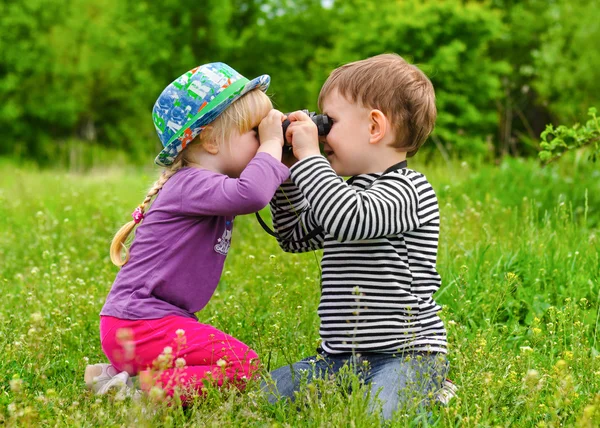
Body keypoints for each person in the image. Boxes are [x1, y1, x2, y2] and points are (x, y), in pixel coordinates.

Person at [84, 63, 290, 400]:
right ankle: (135, 390)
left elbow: (263, 182)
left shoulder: (201, 184)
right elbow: (253, 193)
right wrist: (270, 144)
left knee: (233, 362)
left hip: (138, 326)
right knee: (242, 364)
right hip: (141, 326)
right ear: (210, 140)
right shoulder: (192, 183)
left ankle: (117, 376)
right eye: (254, 131)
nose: (262, 139)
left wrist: (287, 147)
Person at [263, 53, 451, 420]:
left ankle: (430, 386)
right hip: (336, 359)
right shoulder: (338, 191)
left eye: (328, 122)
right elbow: (294, 236)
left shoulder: (409, 189)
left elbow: (351, 218)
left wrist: (308, 158)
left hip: (408, 354)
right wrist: (286, 173)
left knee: (377, 415)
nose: (320, 133)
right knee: (263, 396)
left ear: (374, 127)